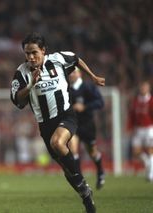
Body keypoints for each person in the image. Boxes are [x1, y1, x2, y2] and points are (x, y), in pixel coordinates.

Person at [10, 32, 105, 213]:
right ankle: (85, 194)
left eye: (34, 52)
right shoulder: (21, 73)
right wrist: (30, 85)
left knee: (57, 143)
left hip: (66, 115)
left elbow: (76, 59)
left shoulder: (58, 59)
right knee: (66, 169)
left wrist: (92, 76)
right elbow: (16, 99)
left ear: (44, 50)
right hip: (45, 125)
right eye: (27, 53)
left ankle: (83, 184)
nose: (30, 57)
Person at [68, 68, 105, 190]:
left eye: (74, 72)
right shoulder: (66, 89)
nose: (72, 74)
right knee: (73, 150)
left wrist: (85, 107)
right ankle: (81, 180)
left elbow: (100, 102)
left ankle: (100, 173)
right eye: (70, 72)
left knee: (92, 153)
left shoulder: (88, 87)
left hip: (88, 125)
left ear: (80, 73)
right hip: (73, 124)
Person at [127, 81, 153, 182]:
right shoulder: (135, 101)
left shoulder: (151, 101)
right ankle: (147, 163)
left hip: (149, 128)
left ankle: (151, 175)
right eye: (142, 87)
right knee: (136, 152)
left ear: (148, 89)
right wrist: (129, 127)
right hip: (138, 129)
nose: (143, 89)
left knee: (150, 150)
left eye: (145, 87)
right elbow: (131, 116)